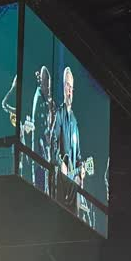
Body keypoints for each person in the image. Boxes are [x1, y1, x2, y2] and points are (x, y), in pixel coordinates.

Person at [51, 67, 85, 211]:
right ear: (63, 88)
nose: (70, 90)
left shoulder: (75, 122)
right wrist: (60, 163)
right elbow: (52, 145)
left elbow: (78, 156)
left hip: (72, 187)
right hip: (60, 183)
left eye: (72, 87)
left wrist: (81, 169)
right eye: (67, 86)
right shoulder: (58, 114)